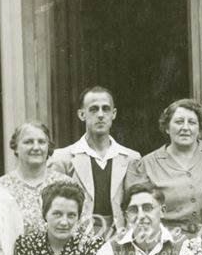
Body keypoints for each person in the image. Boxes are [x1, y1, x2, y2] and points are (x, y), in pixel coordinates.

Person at [125, 99, 202, 239]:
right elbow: (136, 212)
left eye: (192, 122)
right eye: (179, 122)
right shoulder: (146, 165)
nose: (185, 128)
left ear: (199, 128)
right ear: (167, 128)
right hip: (168, 245)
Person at [50, 86, 140, 236]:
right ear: (81, 115)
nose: (100, 115)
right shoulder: (63, 159)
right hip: (77, 239)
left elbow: (136, 205)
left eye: (105, 109)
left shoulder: (131, 158)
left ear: (114, 114)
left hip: (119, 237)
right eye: (93, 109)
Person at [0, 122, 73, 233]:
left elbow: (83, 232)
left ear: (49, 147)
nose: (36, 147)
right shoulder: (1, 188)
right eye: (28, 142)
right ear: (15, 147)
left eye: (41, 142)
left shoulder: (67, 185)